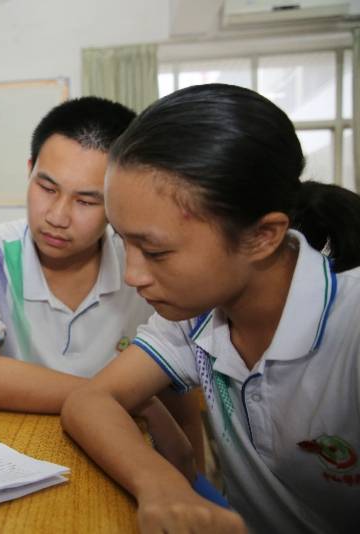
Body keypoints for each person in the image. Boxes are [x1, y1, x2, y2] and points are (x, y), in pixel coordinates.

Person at [61, 83, 360, 533]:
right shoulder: (196, 313)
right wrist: (159, 483)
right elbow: (91, 399)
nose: (133, 275)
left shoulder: (350, 326)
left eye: (156, 252)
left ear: (262, 236)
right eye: (123, 241)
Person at [0, 97, 204, 473]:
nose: (57, 216)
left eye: (85, 200)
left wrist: (192, 477)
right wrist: (126, 400)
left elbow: (178, 396)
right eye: (47, 188)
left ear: (119, 201)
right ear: (30, 171)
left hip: (114, 458)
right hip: (6, 453)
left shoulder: (144, 270)